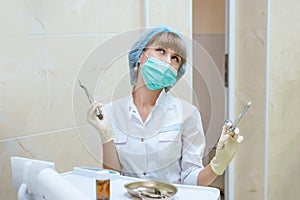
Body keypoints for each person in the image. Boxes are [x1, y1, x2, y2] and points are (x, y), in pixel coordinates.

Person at [87, 26, 243, 186]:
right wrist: (106, 136)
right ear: (140, 56)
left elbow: (191, 180)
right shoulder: (112, 112)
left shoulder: (188, 114)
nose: (168, 61)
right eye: (161, 50)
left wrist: (218, 164)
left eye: (175, 58)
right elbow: (112, 179)